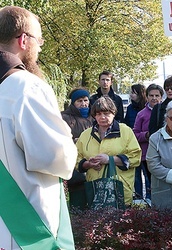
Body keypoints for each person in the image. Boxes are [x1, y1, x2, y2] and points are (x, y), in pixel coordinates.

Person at [0, 6, 77, 249]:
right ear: (24, 40)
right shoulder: (26, 87)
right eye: (39, 39)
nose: (40, 46)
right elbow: (57, 158)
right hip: (27, 231)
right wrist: (66, 135)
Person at [76, 96, 142, 206]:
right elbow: (76, 159)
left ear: (113, 113)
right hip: (95, 191)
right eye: (98, 114)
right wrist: (88, 164)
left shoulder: (125, 131)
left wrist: (110, 159)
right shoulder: (85, 135)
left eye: (106, 113)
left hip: (120, 190)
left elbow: (136, 158)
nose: (102, 117)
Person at [62, 87, 94, 210]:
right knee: (77, 202)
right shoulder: (65, 117)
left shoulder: (94, 116)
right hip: (75, 164)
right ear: (73, 103)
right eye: (79, 101)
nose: (83, 103)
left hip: (93, 161)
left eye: (85, 100)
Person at [133, 84, 164, 201]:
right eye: (151, 95)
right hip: (146, 154)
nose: (154, 98)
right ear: (146, 97)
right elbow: (135, 134)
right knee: (149, 181)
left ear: (161, 97)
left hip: (163, 153)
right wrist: (146, 135)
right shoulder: (141, 114)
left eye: (157, 95)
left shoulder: (165, 111)